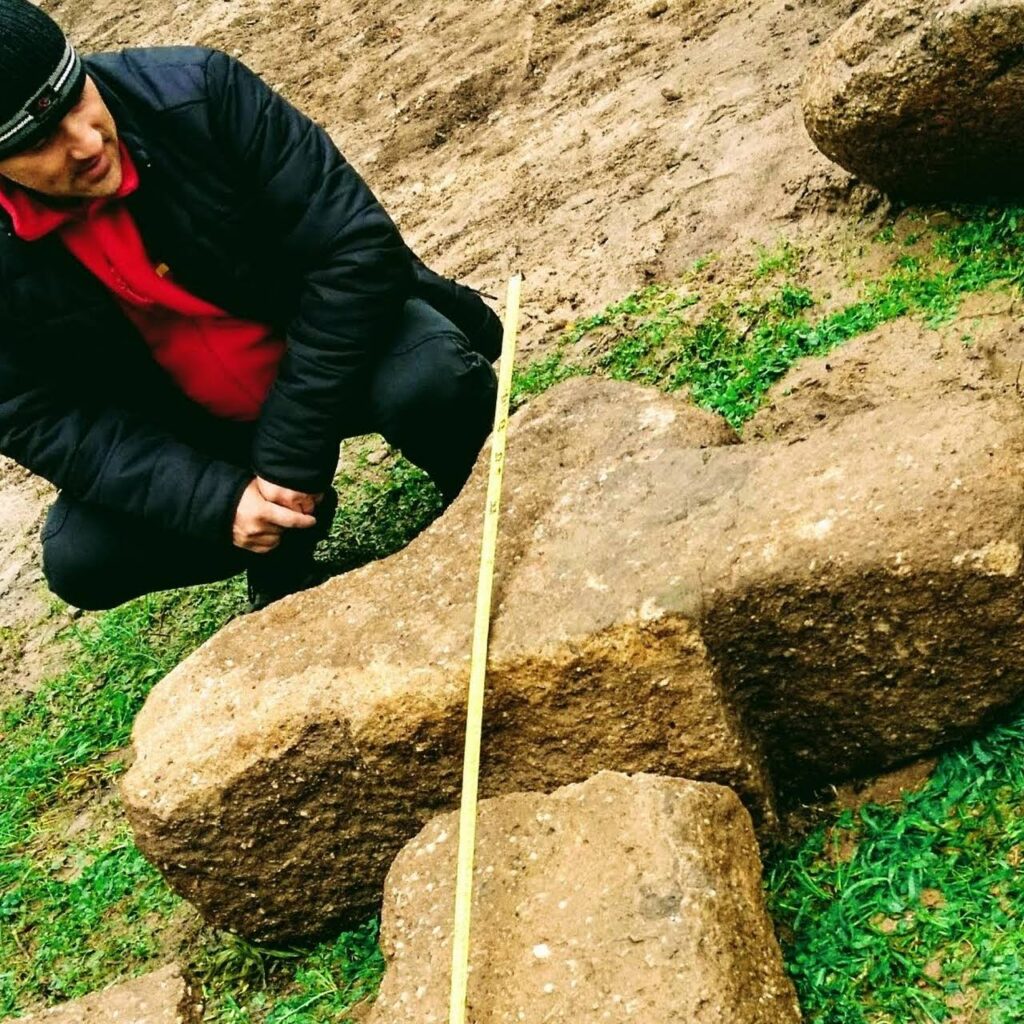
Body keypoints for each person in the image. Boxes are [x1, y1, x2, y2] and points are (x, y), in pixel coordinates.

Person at [0, 0, 501, 611]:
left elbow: (357, 250)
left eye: (78, 97)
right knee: (84, 559)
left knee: (432, 381)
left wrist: (290, 462)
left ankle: (485, 502)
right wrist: (216, 499)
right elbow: (34, 413)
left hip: (338, 354)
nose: (84, 143)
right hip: (198, 423)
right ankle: (278, 549)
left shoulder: (198, 92)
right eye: (39, 140)